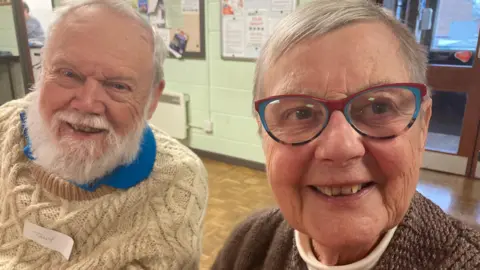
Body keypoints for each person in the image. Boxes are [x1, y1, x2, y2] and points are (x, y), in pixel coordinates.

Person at [212, 0, 480, 269]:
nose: (340, 148)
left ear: (423, 126)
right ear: (262, 133)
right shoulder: (249, 246)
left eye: (379, 107)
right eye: (301, 114)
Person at [0, 0, 208, 268]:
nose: (87, 103)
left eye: (118, 85)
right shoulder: (5, 127)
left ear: (153, 100)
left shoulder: (176, 180)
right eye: (68, 74)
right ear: (42, 73)